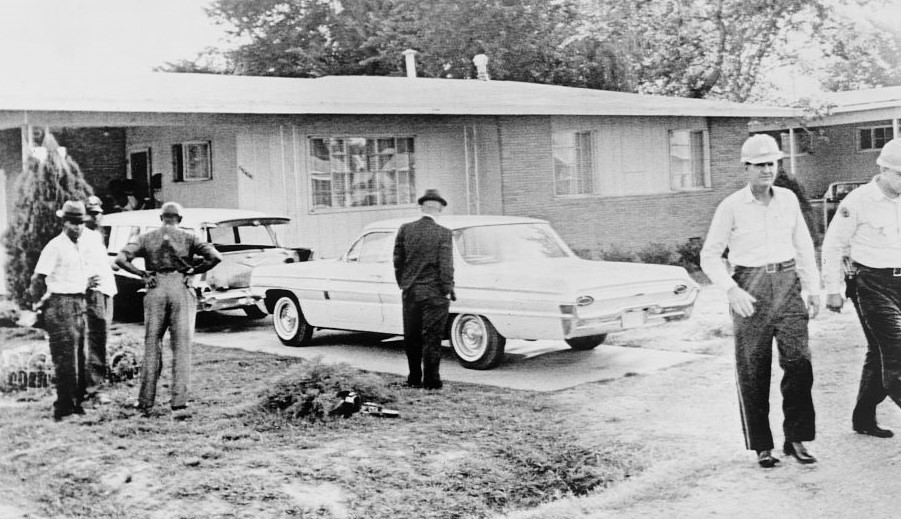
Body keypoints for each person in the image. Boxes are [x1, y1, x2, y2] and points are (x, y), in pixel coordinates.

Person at [700, 134, 821, 468]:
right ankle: (761, 445)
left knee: (799, 363)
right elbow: (709, 256)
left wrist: (813, 288)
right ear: (747, 167)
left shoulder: (788, 200)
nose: (767, 170)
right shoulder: (731, 206)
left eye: (772, 163)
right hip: (748, 286)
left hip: (787, 282)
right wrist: (731, 290)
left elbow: (803, 245)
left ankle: (796, 438)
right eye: (760, 165)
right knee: (753, 369)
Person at [821, 137, 901, 439]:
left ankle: (863, 417)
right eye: (900, 174)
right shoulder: (857, 200)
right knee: (896, 350)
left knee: (880, 352)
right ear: (882, 169)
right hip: (873, 285)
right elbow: (833, 244)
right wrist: (833, 287)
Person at [115, 202, 222, 414]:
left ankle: (145, 400)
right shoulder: (190, 237)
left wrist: (143, 274)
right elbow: (215, 257)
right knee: (182, 346)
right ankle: (179, 400)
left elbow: (120, 259)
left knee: (151, 343)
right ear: (179, 219)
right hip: (181, 287)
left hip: (155, 289)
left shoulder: (147, 237)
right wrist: (193, 270)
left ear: (161, 217)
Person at [29, 201, 104, 421]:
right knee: (66, 358)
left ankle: (76, 403)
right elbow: (37, 279)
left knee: (80, 356)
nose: (78, 227)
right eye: (73, 223)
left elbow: (73, 277)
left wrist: (86, 282)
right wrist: (39, 305)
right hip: (60, 305)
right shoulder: (55, 246)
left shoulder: (79, 246)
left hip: (79, 303)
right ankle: (64, 409)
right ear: (64, 223)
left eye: (81, 223)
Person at [393, 189, 455, 390]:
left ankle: (413, 378)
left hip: (411, 292)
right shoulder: (443, 233)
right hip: (435, 293)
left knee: (411, 336)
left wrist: (404, 283)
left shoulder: (405, 229)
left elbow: (397, 261)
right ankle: (431, 381)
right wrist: (448, 288)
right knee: (432, 338)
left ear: (422, 207)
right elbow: (445, 265)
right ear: (439, 209)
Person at [83, 195, 117, 404]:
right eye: (92, 213)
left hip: (106, 291)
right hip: (93, 293)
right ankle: (93, 390)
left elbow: (102, 264)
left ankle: (94, 386)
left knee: (101, 339)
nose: (97, 217)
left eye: (98, 212)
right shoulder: (81, 236)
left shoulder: (96, 236)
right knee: (95, 340)